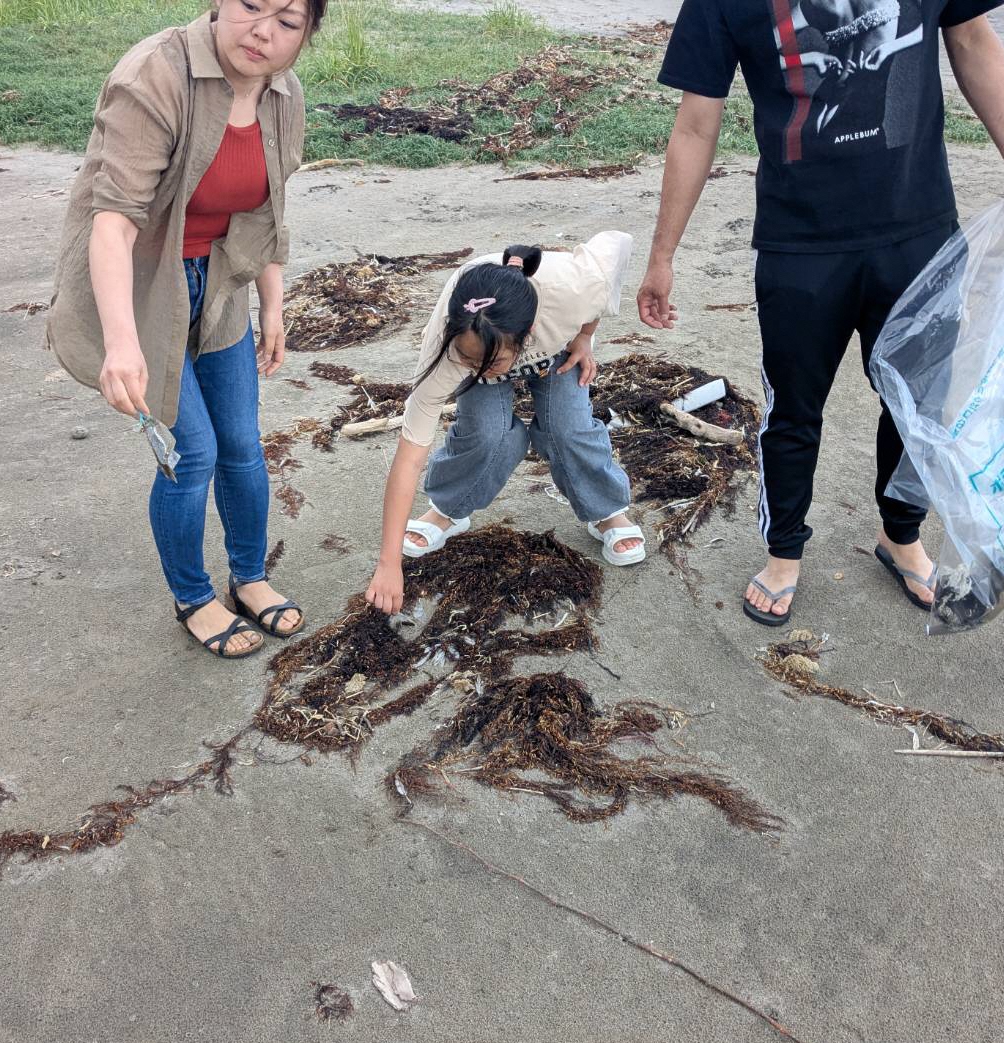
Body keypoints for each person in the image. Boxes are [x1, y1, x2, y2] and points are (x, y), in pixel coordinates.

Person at [638, 0, 1004, 626]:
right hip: (799, 244)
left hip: (917, 229)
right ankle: (783, 553)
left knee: (918, 403)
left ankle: (901, 536)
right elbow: (694, 124)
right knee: (793, 410)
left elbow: (970, 37)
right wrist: (662, 254)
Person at [47, 0, 323, 658]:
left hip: (220, 284)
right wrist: (122, 343)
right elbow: (113, 223)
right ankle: (193, 598)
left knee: (242, 446)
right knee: (191, 454)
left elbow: (269, 213)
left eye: (288, 21)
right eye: (251, 5)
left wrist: (273, 306)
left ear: (306, 35)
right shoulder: (156, 74)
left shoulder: (284, 95)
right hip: (143, 289)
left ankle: (249, 578)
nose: (262, 30)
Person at [365, 233, 644, 616]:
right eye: (470, 361)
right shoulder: (449, 352)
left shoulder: (574, 288)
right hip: (483, 338)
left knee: (568, 428)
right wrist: (388, 563)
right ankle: (449, 508)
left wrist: (584, 335)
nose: (479, 370)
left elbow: (615, 248)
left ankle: (606, 509)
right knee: (486, 433)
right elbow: (409, 458)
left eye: (490, 364)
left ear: (526, 338)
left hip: (553, 339)